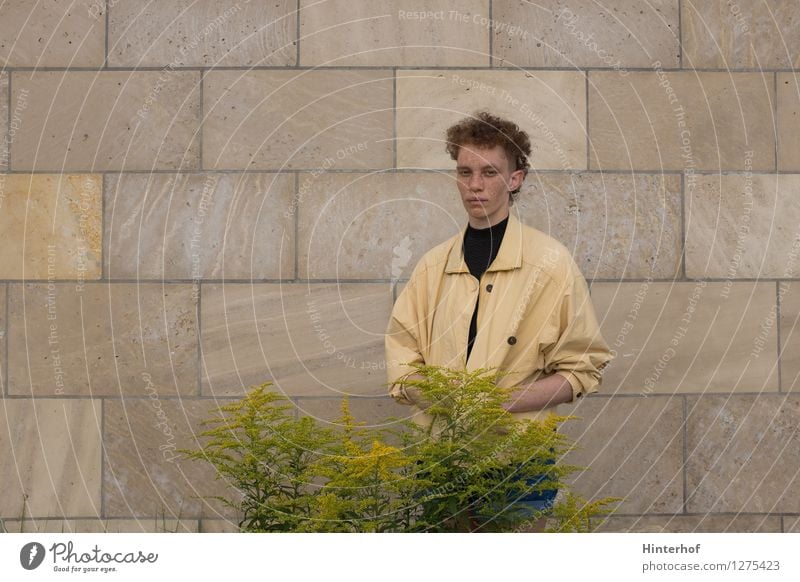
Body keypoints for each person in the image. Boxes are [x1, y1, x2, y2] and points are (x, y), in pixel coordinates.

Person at [384, 110, 614, 531]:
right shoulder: (432, 267)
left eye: (490, 172)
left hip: (516, 463)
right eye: (465, 171)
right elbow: (401, 363)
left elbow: (583, 367)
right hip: (439, 459)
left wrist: (496, 404)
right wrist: (444, 400)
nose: (475, 185)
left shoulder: (550, 264)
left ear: (515, 179)